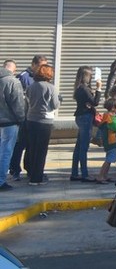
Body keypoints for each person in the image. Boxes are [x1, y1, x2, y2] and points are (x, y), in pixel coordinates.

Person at [25, 61, 58, 186]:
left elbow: (28, 100)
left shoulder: (31, 86)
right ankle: (37, 178)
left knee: (32, 148)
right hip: (45, 121)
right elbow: (55, 105)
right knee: (41, 150)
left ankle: (32, 174)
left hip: (31, 119)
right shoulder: (50, 87)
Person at [71, 65, 101, 183]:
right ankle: (84, 174)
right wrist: (99, 89)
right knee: (84, 146)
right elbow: (95, 102)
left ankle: (75, 173)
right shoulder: (84, 89)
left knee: (79, 146)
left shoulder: (80, 88)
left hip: (81, 116)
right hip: (85, 117)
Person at [0, 60, 26, 192]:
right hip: (9, 122)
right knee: (6, 152)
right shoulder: (13, 82)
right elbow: (18, 104)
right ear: (13, 70)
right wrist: (22, 119)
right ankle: (1, 181)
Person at [95, 97, 116, 184]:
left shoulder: (109, 117)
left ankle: (104, 175)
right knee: (109, 160)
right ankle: (101, 176)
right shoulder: (110, 118)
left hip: (111, 142)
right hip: (112, 142)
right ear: (113, 108)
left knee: (110, 159)